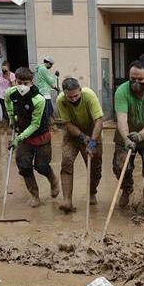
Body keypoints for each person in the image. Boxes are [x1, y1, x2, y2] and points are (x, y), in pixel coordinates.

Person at [112, 60, 144, 213]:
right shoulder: (121, 91)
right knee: (120, 166)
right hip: (126, 135)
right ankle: (127, 189)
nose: (136, 82)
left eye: (140, 79)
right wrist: (127, 139)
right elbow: (121, 119)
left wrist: (140, 136)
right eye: (132, 79)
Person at [5, 67, 60, 207]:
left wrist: (17, 139)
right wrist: (12, 118)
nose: (22, 86)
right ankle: (35, 195)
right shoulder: (10, 93)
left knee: (41, 166)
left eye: (26, 83)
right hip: (24, 137)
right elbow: (8, 105)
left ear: (32, 82)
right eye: (20, 82)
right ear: (15, 81)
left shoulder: (39, 99)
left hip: (40, 135)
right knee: (24, 166)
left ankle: (53, 180)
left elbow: (35, 124)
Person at [55, 77, 103, 213]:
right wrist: (82, 137)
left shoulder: (89, 96)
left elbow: (99, 121)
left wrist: (92, 142)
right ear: (65, 94)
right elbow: (68, 124)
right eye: (70, 97)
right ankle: (67, 200)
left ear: (80, 90)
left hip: (93, 130)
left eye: (76, 95)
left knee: (95, 167)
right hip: (73, 134)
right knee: (66, 161)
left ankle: (92, 192)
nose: (73, 99)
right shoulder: (61, 100)